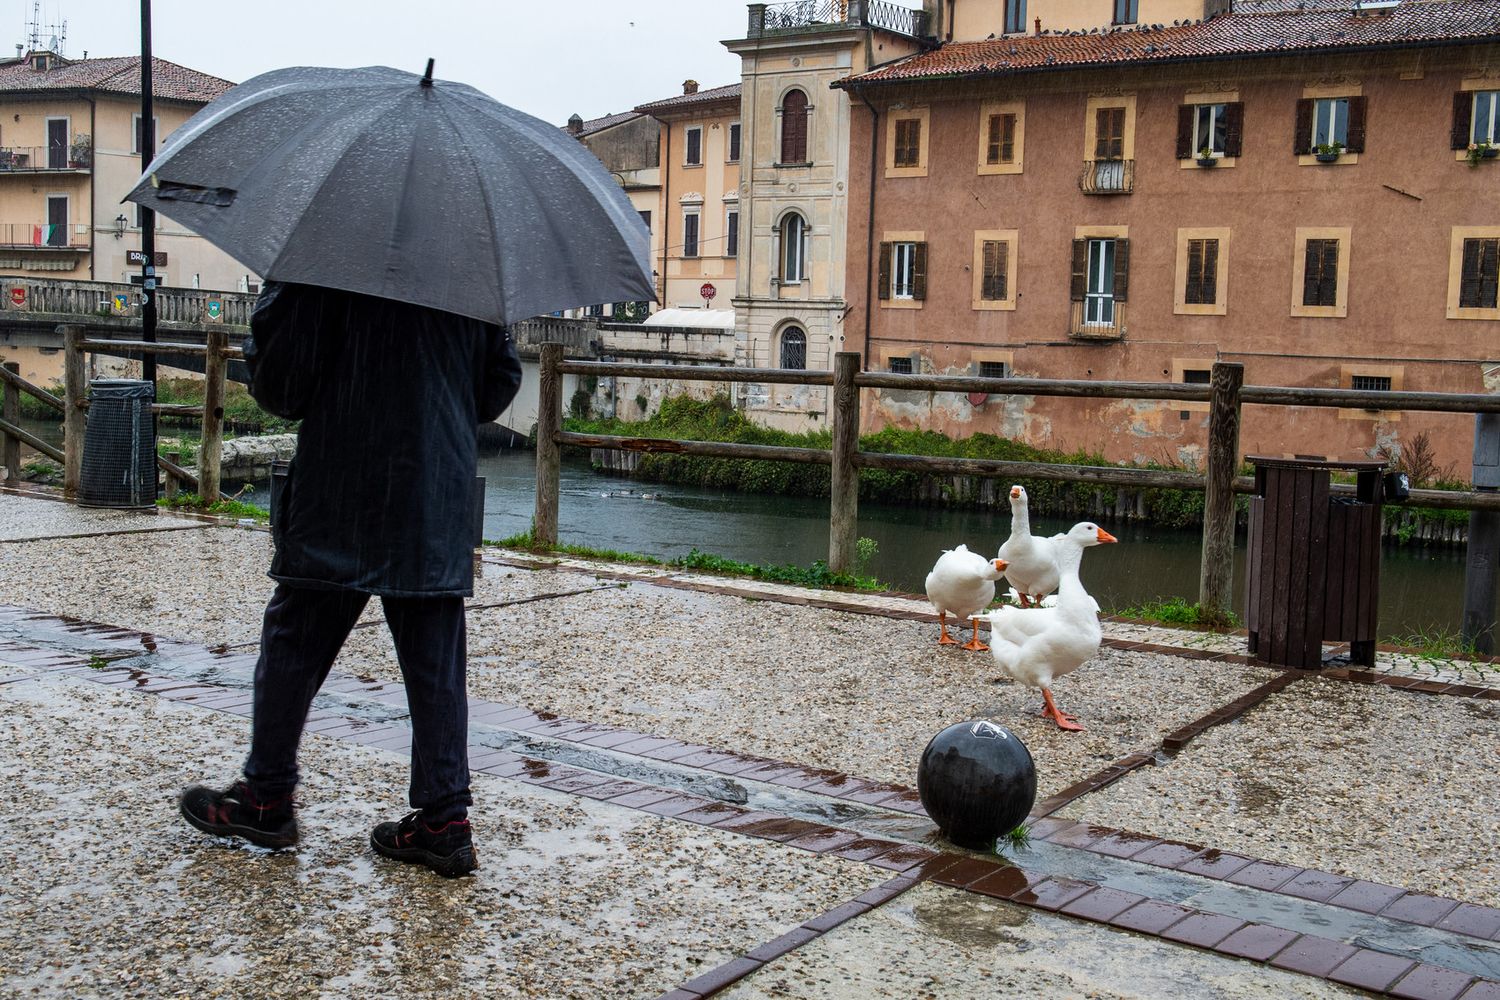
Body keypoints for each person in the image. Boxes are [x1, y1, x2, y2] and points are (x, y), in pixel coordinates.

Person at [179, 281, 523, 878]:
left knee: (295, 640)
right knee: (437, 659)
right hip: (431, 484)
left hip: (343, 479)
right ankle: (445, 821)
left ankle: (266, 797)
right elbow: (496, 387)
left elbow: (282, 388)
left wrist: (271, 320)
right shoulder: (467, 269)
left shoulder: (323, 262)